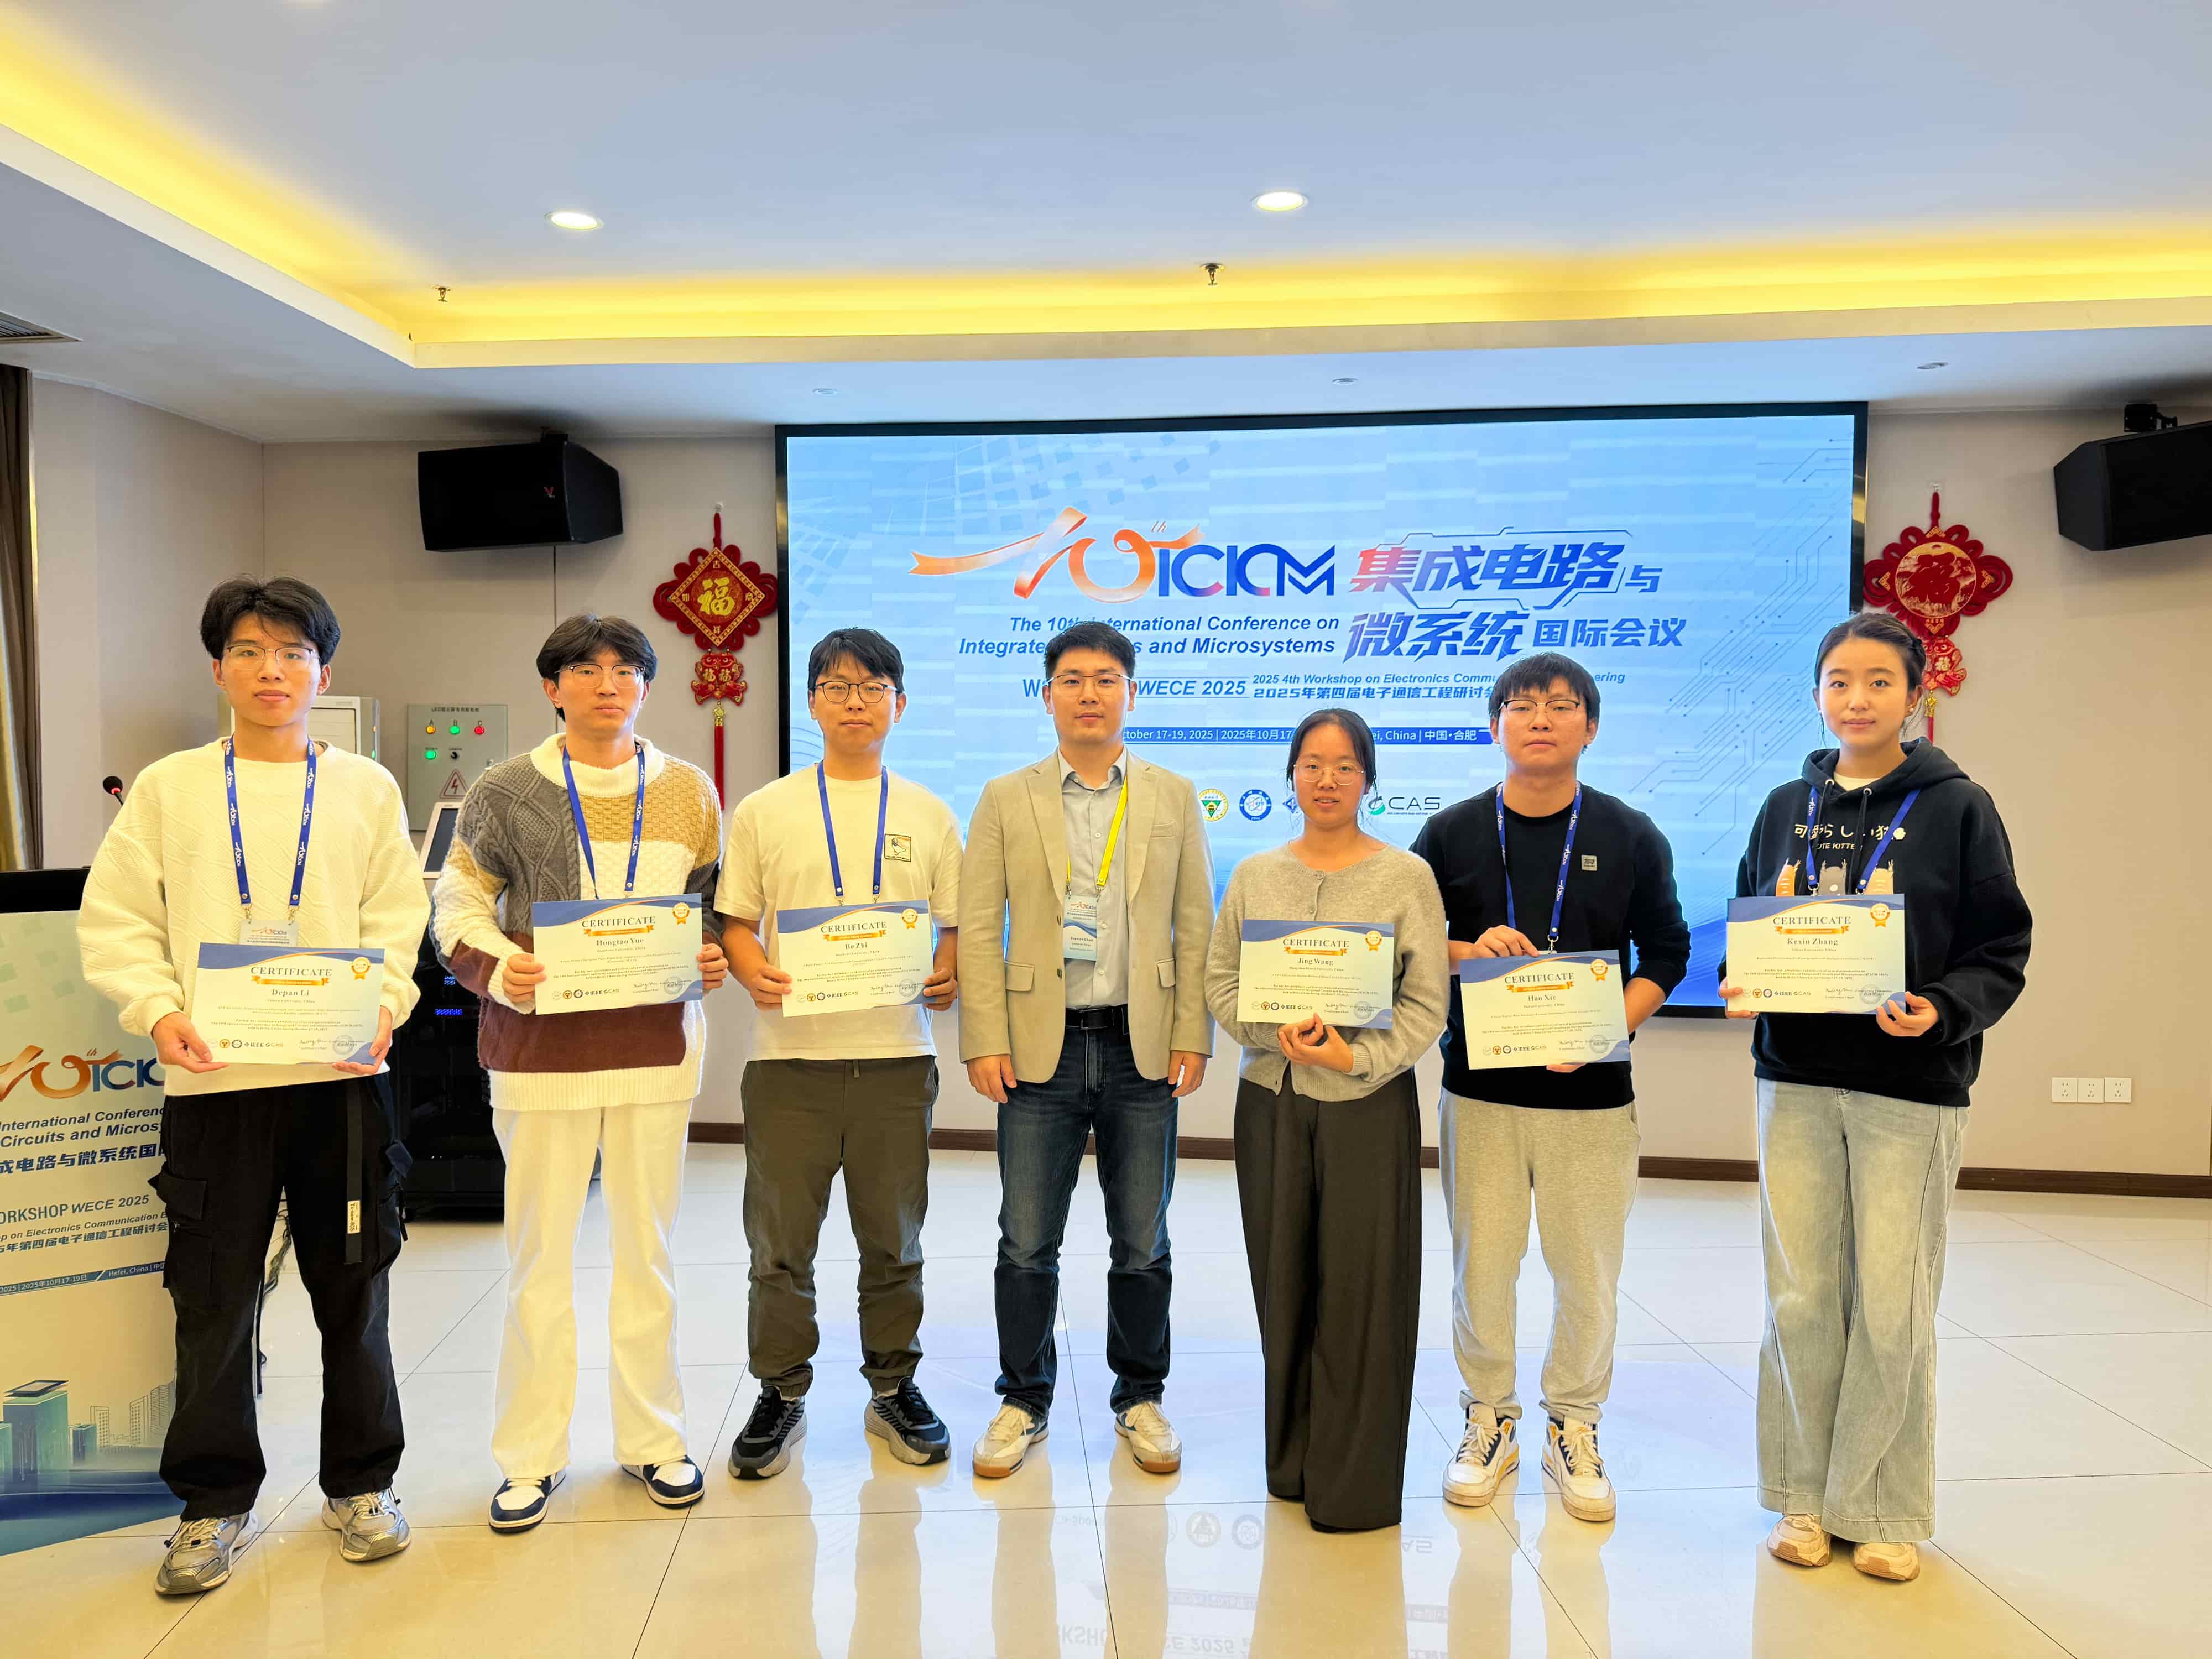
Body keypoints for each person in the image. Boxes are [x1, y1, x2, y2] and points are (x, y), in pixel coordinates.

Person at [79, 575, 429, 1594]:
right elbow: (118, 919)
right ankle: (213, 1503)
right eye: (248, 652)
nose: (271, 671)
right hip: (214, 1085)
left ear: (324, 671)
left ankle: (361, 1484)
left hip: (341, 1082)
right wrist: (159, 1011)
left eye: (292, 654)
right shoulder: (170, 788)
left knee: (354, 1291)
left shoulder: (366, 788)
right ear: (217, 669)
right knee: (214, 1299)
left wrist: (385, 1006)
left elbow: (395, 916)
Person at [1723, 611, 2029, 1583]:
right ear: (1817, 694)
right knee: (1802, 1296)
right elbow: (1753, 922)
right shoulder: (1784, 805)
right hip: (1796, 1081)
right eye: (1839, 682)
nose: (1856, 700)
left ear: (1916, 694)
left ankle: (1884, 1507)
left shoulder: (1960, 807)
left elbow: (2001, 947)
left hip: (1913, 1085)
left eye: (1879, 683)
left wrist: (1942, 1008)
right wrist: (1743, 979)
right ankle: (1804, 1499)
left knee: (1892, 1304)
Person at [431, 614, 729, 1531]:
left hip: (655, 1048)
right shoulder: (503, 789)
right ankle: (530, 1457)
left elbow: (709, 907)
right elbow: (457, 905)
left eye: (626, 669)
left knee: (649, 1254)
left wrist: (711, 953)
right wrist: (497, 968)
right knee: (539, 1261)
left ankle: (655, 1439)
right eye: (586, 669)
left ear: (646, 685)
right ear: (552, 687)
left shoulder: (688, 790)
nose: (608, 684)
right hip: (541, 1053)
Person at [1410, 651, 1689, 1525]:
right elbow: (1402, 941)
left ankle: (1574, 1422)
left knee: (1587, 1272)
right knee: (1482, 1269)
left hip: (1591, 1098)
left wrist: (1606, 1031)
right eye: (1522, 705)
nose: (1540, 719)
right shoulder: (1450, 832)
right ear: (1495, 724)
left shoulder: (1630, 832)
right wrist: (1466, 950)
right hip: (1480, 1092)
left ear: (1590, 727)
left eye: (1561, 706)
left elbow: (1669, 953)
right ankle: (1488, 1418)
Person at [958, 620, 1214, 1478]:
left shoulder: (1173, 795)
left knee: (1142, 1238)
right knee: (1026, 1239)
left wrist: (1193, 1032)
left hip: (1143, 1044)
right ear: (1048, 695)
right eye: (1072, 679)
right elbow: (979, 928)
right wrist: (984, 1036)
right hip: (1043, 1047)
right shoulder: (1007, 797)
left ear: (1131, 693)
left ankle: (1140, 1397)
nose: (1090, 694)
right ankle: (1022, 1400)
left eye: (1107, 679)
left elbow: (1194, 923)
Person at [716, 628, 962, 1478]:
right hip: (790, 1065)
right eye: (837, 686)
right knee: (780, 1247)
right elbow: (736, 922)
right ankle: (780, 1392)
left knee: (894, 1241)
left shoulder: (929, 813)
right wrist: (752, 970)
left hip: (896, 1060)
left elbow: (954, 925)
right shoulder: (766, 809)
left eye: (873, 686)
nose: (855, 701)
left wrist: (948, 971)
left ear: (900, 703)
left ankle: (893, 1386)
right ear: (813, 702)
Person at [1204, 709, 1449, 1532]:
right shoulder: (1254, 875)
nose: (1328, 779)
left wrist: (1355, 1057)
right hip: (1270, 1101)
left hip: (1365, 1105)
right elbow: (1221, 980)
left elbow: (1425, 1003)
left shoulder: (1407, 877)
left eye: (1345, 766)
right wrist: (1268, 1029)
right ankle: (1292, 1463)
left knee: (1362, 1291)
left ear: (1369, 780)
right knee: (1283, 1284)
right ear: (1291, 775)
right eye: (1312, 763)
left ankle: (1354, 1488)